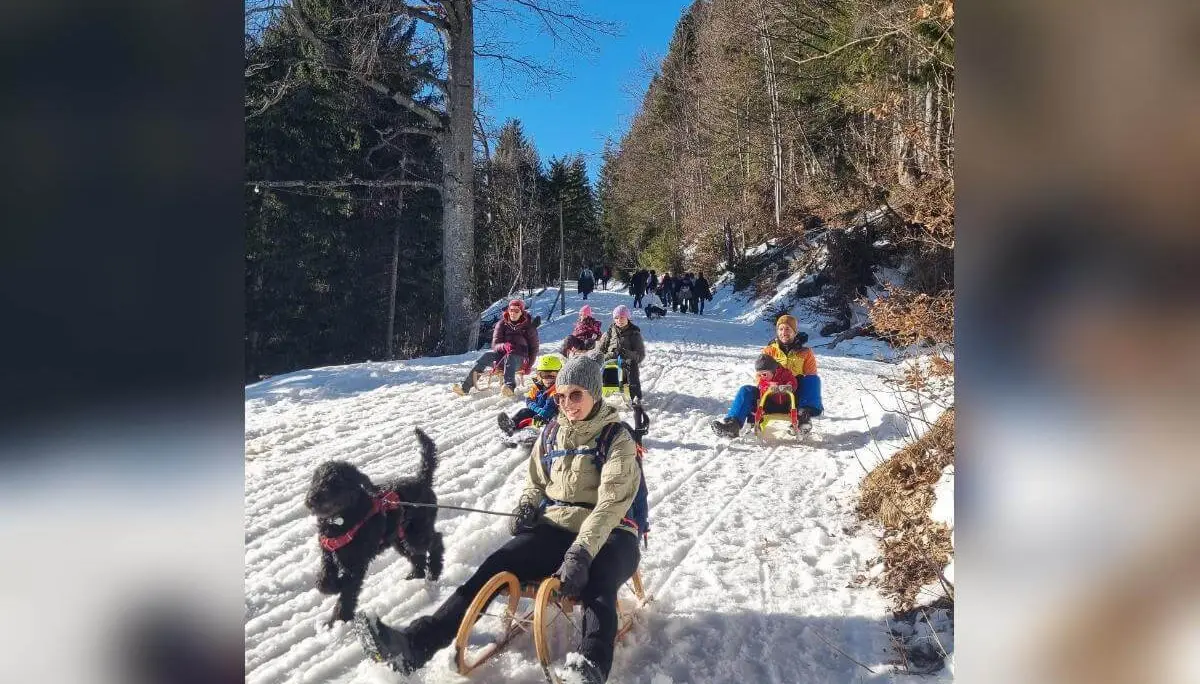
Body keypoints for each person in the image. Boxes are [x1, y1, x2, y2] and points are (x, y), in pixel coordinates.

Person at [355, 356, 643, 684]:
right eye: (560, 396)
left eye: (575, 395)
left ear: (594, 392)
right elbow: (535, 482)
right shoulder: (551, 432)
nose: (566, 404)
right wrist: (526, 506)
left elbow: (610, 504)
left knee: (599, 582)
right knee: (496, 564)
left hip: (612, 533)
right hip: (558, 528)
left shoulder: (616, 438)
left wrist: (582, 552)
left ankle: (590, 665)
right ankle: (416, 645)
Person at [710, 314, 824, 437]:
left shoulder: (805, 353)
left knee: (812, 379)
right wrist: (766, 386)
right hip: (769, 397)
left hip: (794, 398)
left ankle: (804, 417)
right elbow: (760, 375)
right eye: (781, 329)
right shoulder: (769, 351)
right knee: (746, 390)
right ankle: (733, 425)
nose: (784, 332)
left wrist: (792, 385)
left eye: (788, 329)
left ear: (795, 332)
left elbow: (811, 378)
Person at [453, 299, 538, 397]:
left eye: (516, 311)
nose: (513, 313)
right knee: (486, 356)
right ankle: (465, 387)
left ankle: (509, 387)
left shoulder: (528, 326)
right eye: (511, 310)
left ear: (522, 312)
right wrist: (504, 346)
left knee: (510, 356)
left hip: (521, 359)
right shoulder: (501, 324)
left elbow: (534, 348)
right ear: (508, 310)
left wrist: (529, 366)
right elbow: (495, 345)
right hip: (503, 357)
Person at [595, 305, 646, 404]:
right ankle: (594, 392)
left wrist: (626, 353)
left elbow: (640, 356)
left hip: (626, 360)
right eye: (616, 318)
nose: (619, 320)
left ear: (628, 318)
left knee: (632, 365)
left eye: (622, 317)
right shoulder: (610, 331)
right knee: (597, 364)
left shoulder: (634, 333)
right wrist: (601, 356)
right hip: (610, 358)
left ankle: (633, 393)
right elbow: (600, 349)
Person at [498, 354, 560, 435]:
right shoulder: (537, 387)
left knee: (542, 425)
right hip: (537, 412)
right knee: (524, 411)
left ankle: (531, 438)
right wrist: (537, 410)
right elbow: (528, 400)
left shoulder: (557, 390)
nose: (547, 379)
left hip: (549, 416)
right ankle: (511, 425)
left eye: (552, 375)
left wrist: (541, 414)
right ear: (539, 375)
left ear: (559, 375)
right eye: (544, 375)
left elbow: (550, 407)